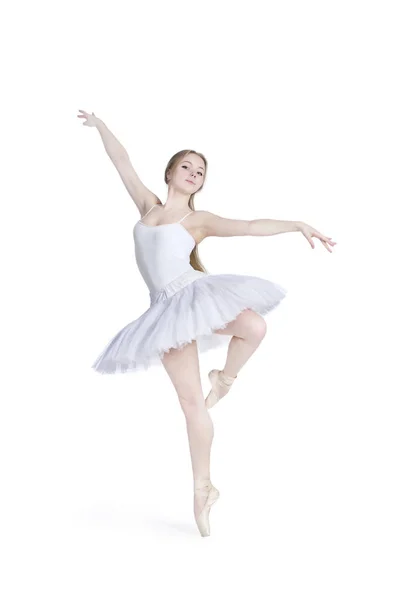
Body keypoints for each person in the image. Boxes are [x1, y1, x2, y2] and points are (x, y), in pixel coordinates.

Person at [77, 109, 337, 537]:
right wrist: (103, 126)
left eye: (200, 171)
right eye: (187, 167)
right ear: (170, 172)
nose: (194, 174)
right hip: (164, 311)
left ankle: (226, 378)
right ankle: (203, 487)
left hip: (193, 294)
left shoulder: (197, 221)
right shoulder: (148, 206)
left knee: (254, 326)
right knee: (190, 404)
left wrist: (296, 225)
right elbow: (121, 161)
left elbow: (250, 226)